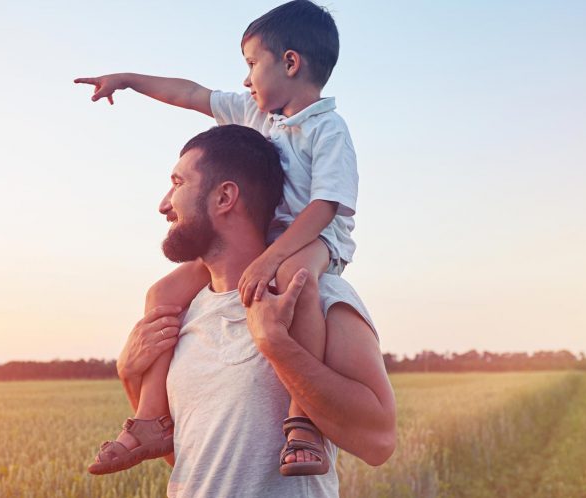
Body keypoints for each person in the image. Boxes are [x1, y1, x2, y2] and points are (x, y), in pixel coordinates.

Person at [77, 1, 361, 476]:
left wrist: (273, 257)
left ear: (290, 63)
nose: (246, 80)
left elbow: (325, 207)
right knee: (162, 292)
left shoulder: (328, 129)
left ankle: (303, 422)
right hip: (270, 242)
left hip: (316, 239)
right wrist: (127, 79)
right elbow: (190, 93)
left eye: (252, 64)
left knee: (297, 280)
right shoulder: (255, 113)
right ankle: (150, 418)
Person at [120, 125, 395, 496]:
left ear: (225, 197)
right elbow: (193, 460)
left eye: (178, 183)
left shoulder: (320, 295)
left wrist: (277, 345)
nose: (164, 204)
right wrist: (128, 376)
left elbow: (378, 442)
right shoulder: (180, 311)